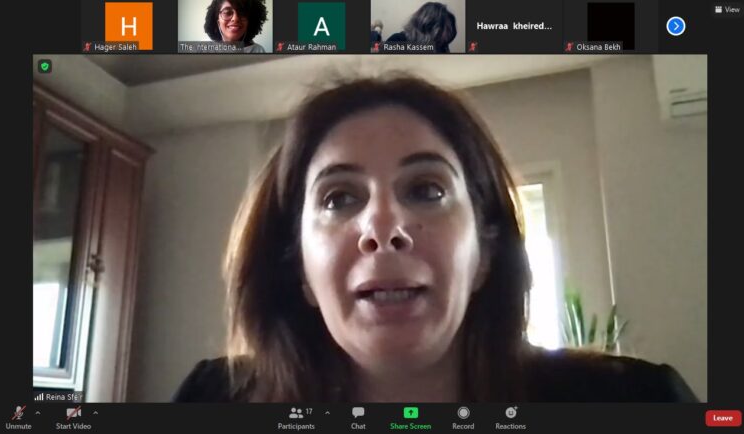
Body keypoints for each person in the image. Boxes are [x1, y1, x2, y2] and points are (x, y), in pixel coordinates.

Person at [173, 76, 698, 403]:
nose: (384, 229)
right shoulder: (211, 400)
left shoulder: (638, 401)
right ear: (300, 270)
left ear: (485, 254)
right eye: (338, 198)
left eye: (427, 190)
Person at [385, 2, 457, 53]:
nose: (449, 34)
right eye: (447, 29)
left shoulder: (441, 47)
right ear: (429, 25)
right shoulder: (398, 41)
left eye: (450, 30)